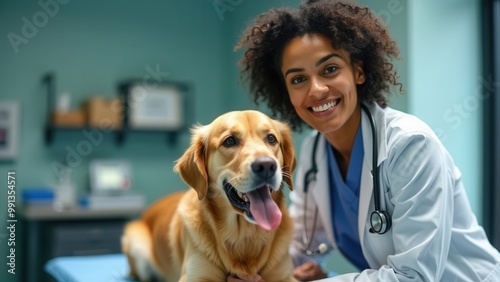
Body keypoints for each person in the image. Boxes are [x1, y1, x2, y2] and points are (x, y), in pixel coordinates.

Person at [228, 0, 500, 281]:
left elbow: (413, 276)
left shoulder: (410, 145)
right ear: (286, 92)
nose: (317, 90)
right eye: (298, 79)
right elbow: (302, 245)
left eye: (330, 69)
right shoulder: (314, 151)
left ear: (358, 71)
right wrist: (253, 272)